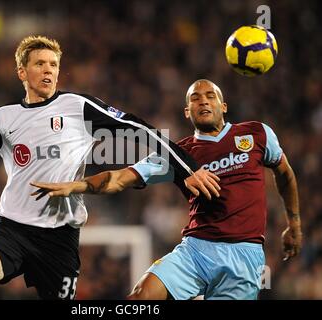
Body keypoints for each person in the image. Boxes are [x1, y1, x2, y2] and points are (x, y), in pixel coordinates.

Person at [0, 37, 220, 300]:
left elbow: (136, 128)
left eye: (53, 64)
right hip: (12, 228)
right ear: (22, 71)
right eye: (39, 64)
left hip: (60, 238)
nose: (48, 70)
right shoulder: (3, 118)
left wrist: (186, 168)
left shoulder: (76, 106)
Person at [30, 79, 303, 300]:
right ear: (187, 111)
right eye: (195, 98)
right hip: (195, 251)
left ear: (223, 105)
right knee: (140, 297)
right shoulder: (178, 154)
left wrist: (294, 224)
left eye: (210, 95)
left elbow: (285, 174)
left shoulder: (256, 134)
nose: (203, 100)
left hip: (244, 256)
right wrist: (76, 186)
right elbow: (120, 178)